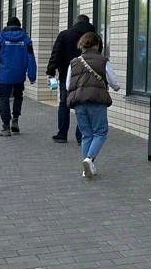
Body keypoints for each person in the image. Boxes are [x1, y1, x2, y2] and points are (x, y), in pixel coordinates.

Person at [66, 32, 118, 179]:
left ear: (81, 45)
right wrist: (116, 87)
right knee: (100, 132)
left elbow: (68, 85)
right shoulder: (103, 61)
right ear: (97, 45)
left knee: (86, 134)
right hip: (97, 101)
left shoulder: (74, 62)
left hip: (79, 102)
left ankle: (86, 169)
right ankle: (89, 159)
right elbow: (114, 83)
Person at [0, 16, 37, 137]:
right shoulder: (26, 39)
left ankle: (6, 127)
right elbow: (31, 57)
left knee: (4, 99)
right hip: (19, 75)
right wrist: (32, 76)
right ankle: (15, 120)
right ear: (19, 26)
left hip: (4, 76)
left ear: (7, 25)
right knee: (18, 97)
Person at [46, 14, 95, 144]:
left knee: (64, 104)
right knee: (83, 104)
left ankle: (62, 134)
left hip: (67, 75)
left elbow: (56, 54)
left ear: (75, 23)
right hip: (87, 77)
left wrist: (51, 70)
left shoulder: (64, 35)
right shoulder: (94, 37)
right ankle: (81, 136)